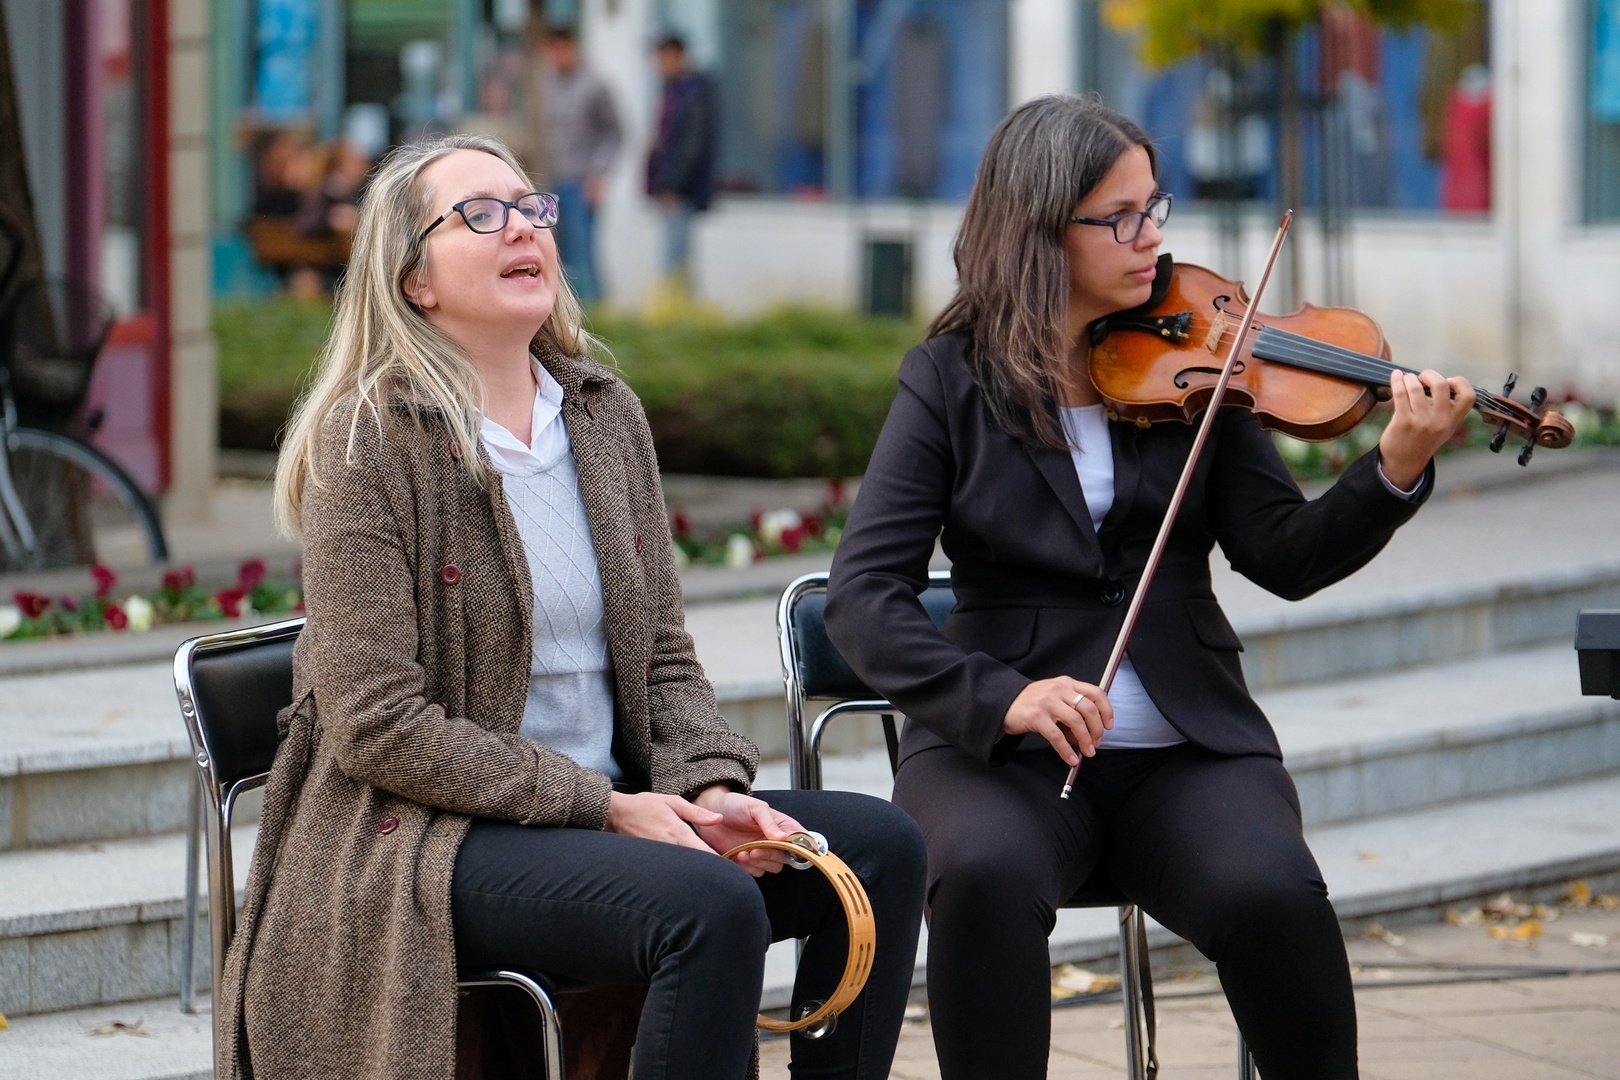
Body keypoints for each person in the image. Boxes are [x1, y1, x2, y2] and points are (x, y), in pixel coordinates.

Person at [222, 133, 924, 1080]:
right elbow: (377, 725)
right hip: (429, 839)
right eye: (480, 215)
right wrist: (603, 808)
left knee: (877, 851)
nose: (521, 228)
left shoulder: (603, 413)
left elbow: (663, 657)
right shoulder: (369, 442)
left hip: (614, 805)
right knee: (706, 905)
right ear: (414, 280)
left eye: (531, 207)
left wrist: (708, 789)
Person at [823, 95, 1476, 1080]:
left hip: (1188, 750)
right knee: (983, 876)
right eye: (1121, 217)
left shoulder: (1199, 361)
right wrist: (1004, 699)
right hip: (1001, 762)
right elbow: (864, 595)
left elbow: (1284, 554)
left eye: (1154, 208)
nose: (1152, 238)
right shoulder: (949, 380)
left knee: (1272, 890)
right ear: (1042, 227)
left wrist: (1393, 467)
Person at [538, 24, 621, 303]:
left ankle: (596, 313)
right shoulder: (547, 84)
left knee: (583, 253)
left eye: (561, 49)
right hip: (552, 181)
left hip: (581, 183)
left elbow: (615, 133)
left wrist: (598, 175)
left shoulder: (594, 85)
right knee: (556, 252)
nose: (556, 56)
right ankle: (565, 311)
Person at [645, 32, 718, 282]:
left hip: (682, 191)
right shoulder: (675, 90)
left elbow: (691, 146)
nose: (659, 65)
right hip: (673, 188)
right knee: (675, 256)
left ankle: (680, 304)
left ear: (676, 56)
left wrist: (673, 186)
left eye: (663, 58)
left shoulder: (693, 93)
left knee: (676, 260)